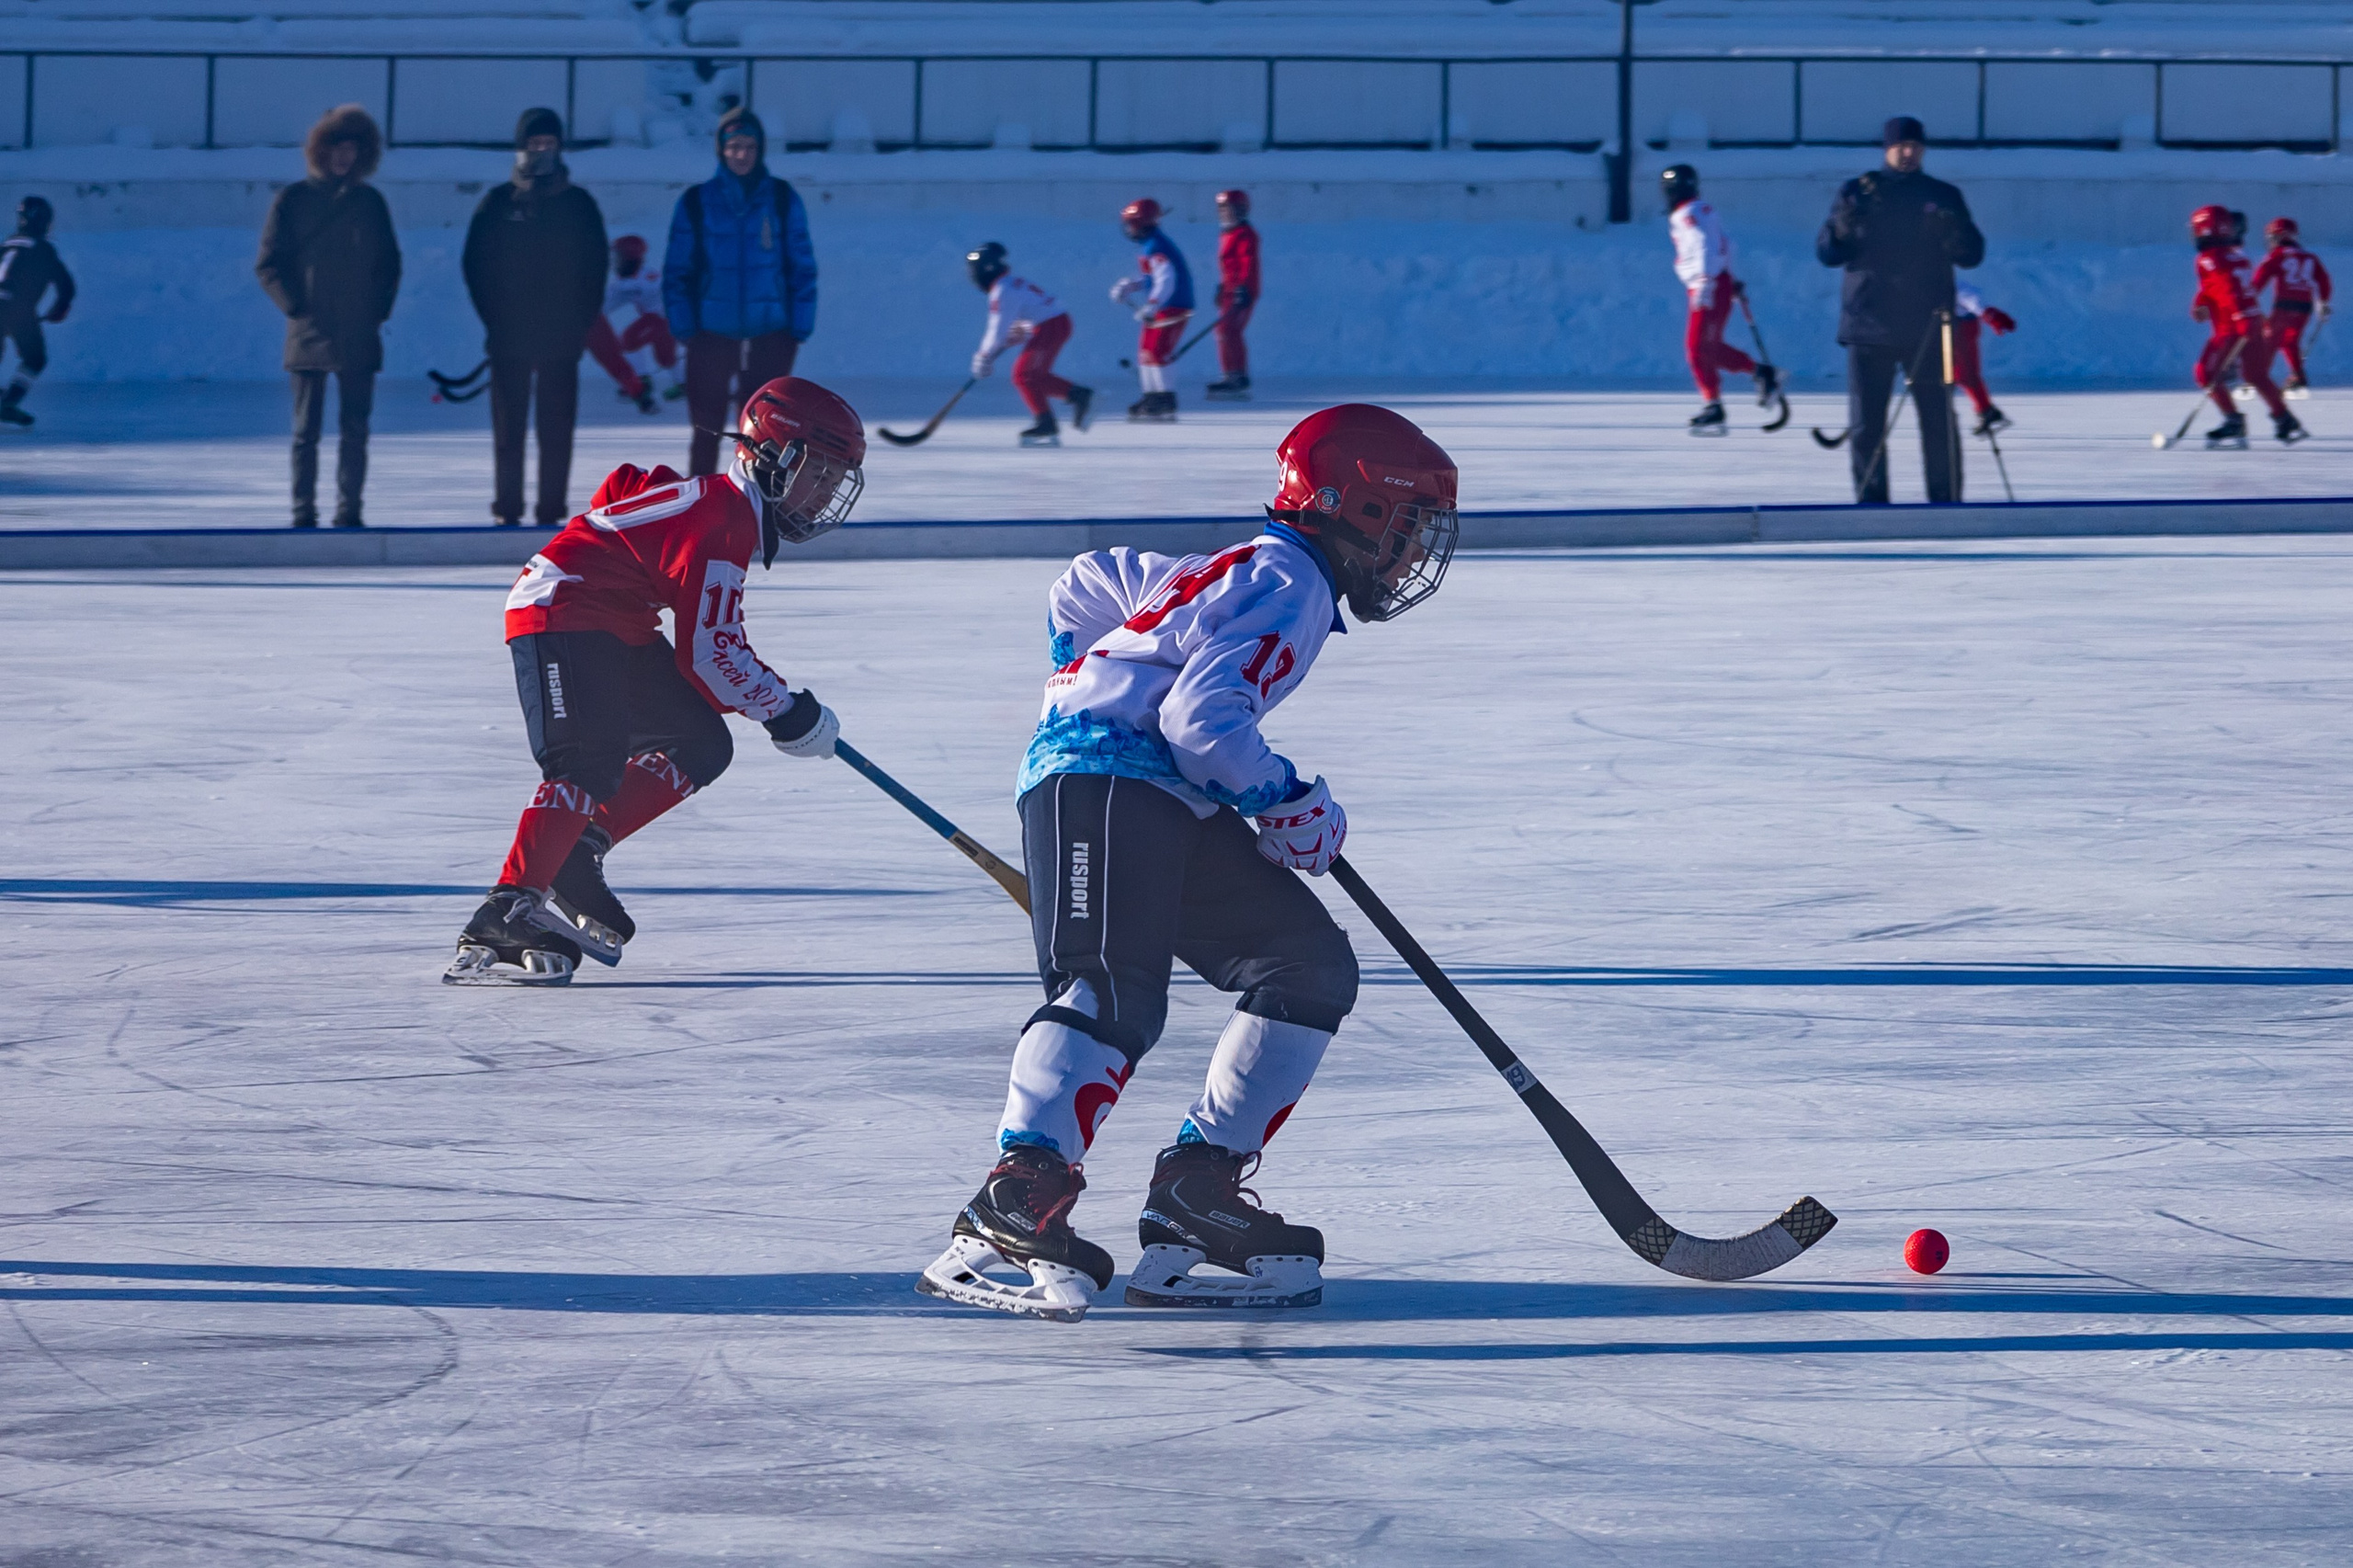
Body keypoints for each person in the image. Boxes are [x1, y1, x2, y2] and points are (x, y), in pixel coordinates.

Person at [915, 403, 1461, 1323]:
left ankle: (1194, 1193)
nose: (1413, 557)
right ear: (1361, 509)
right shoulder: (1292, 584)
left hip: (1164, 793)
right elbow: (1200, 724)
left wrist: (1087, 666)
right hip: (1105, 778)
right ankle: (1013, 1195)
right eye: (1410, 529)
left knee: (1305, 966)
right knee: (1110, 989)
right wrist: (1284, 796)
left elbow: (1085, 582)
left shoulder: (1249, 568)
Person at [446, 377, 867, 986]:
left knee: (700, 742)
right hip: (562, 610)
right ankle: (507, 908)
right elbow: (712, 653)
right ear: (775, 456)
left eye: (835, 479)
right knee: (584, 762)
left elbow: (624, 490)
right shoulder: (724, 520)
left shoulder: (719, 507)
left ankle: (578, 850)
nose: (825, 493)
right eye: (819, 472)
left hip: (614, 619)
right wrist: (787, 711)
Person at [1815, 116, 1985, 503]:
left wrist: (1955, 230)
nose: (1908, 153)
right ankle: (1872, 503)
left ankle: (1945, 501)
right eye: (1900, 146)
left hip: (1928, 327)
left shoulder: (1943, 195)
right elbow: (1827, 253)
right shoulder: (1857, 192)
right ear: (1886, 149)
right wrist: (1845, 225)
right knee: (1866, 425)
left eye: (1915, 147)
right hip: (1868, 324)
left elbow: (1972, 255)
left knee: (1939, 422)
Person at [255, 105, 400, 528]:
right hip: (309, 332)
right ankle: (303, 511)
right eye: (337, 148)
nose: (344, 157)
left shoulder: (370, 203)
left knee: (356, 429)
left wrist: (376, 310)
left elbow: (389, 264)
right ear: (321, 150)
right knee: (306, 432)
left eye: (352, 149)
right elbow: (269, 264)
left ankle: (349, 510)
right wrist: (295, 306)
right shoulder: (294, 200)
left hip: (358, 332)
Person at [463, 108, 608, 528]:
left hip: (561, 339)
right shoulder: (497, 204)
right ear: (521, 147)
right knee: (508, 432)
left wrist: (579, 323)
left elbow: (596, 269)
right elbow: (476, 266)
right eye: (534, 143)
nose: (541, 150)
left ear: (560, 148)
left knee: (556, 432)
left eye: (549, 143)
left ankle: (550, 511)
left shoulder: (579, 205)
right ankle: (507, 509)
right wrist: (493, 319)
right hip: (508, 337)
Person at [665, 108, 817, 476]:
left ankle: (760, 503)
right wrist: (686, 328)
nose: (742, 154)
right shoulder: (697, 201)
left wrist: (797, 327)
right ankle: (702, 500)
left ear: (760, 149)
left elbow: (801, 266)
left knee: (766, 434)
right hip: (711, 334)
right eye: (734, 146)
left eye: (749, 146)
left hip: (770, 333)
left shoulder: (781, 198)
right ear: (721, 150)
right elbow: (677, 271)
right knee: (706, 430)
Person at [1662, 165, 1780, 435]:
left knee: (1696, 348)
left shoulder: (1687, 214)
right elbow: (1726, 245)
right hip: (1717, 281)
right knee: (1708, 346)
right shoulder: (1702, 210)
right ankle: (1760, 372)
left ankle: (1713, 404)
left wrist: (1706, 281)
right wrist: (1730, 278)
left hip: (1708, 284)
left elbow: (1704, 244)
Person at [2187, 203, 2302, 448]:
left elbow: (2228, 288)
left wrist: (2239, 317)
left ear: (2205, 229)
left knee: (2205, 373)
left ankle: (2233, 421)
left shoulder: (2208, 259)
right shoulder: (2236, 255)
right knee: (2256, 375)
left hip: (2232, 328)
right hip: (2253, 321)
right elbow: (2216, 287)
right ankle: (2284, 419)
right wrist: (2202, 302)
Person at [966, 242, 1092, 448]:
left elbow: (997, 329)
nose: (972, 277)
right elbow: (1021, 316)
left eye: (974, 271)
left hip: (1050, 325)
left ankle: (1049, 421)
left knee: (1024, 375)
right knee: (1032, 376)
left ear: (986, 269)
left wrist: (983, 356)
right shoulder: (1008, 284)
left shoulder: (1002, 290)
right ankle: (1076, 397)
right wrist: (1017, 333)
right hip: (1052, 323)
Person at [1110, 198, 1193, 422]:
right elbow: (1151, 278)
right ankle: (1151, 396)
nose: (1128, 229)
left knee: (1158, 351)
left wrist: (1152, 304)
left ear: (1142, 223)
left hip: (1173, 305)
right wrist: (1130, 286)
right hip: (1163, 306)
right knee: (1146, 351)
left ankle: (1165, 398)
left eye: (1131, 224)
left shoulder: (1156, 246)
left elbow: (1166, 280)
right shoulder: (1150, 245)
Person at [585, 235, 682, 415]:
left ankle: (646, 380)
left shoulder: (649, 279)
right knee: (663, 356)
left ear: (631, 257)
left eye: (619, 257)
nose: (616, 262)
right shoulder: (624, 283)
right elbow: (606, 304)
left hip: (663, 319)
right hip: (657, 319)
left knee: (631, 340)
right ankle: (672, 382)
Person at [0, 196, 74, 428]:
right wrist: (60, 308)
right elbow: (66, 286)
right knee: (35, 358)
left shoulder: (6, 245)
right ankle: (8, 402)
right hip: (19, 311)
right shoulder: (43, 249)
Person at [2251, 216, 2331, 398]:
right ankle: (2298, 376)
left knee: (2270, 340)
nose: (2271, 242)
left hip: (2284, 305)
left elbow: (2259, 278)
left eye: (2272, 237)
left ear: (2279, 236)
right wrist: (2323, 302)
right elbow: (2323, 280)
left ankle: (2258, 377)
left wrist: (2249, 298)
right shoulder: (2310, 257)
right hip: (2304, 307)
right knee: (2289, 341)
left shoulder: (2277, 255)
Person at [1206, 188, 1258, 402]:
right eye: (1222, 210)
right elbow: (1228, 266)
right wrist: (1222, 287)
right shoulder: (1227, 234)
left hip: (1242, 291)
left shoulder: (1245, 234)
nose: (1225, 214)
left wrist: (1243, 288)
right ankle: (1229, 374)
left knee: (1230, 330)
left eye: (1228, 209)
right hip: (1230, 291)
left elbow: (1248, 263)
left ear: (1240, 210)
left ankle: (1238, 376)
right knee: (1222, 331)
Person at [1949, 284, 2016, 437]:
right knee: (1959, 374)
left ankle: (1986, 410)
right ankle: (1985, 409)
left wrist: (1987, 313)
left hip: (1961, 329)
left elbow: (1970, 297)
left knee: (1964, 374)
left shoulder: (1951, 284)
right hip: (1953, 329)